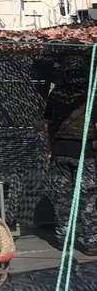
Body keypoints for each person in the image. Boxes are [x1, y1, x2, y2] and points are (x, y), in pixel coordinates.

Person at [44, 53, 97, 254]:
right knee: (88, 198)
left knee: (62, 197)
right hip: (84, 152)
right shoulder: (90, 93)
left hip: (60, 151)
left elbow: (46, 124)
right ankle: (91, 242)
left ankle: (63, 239)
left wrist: (49, 150)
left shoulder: (56, 94)